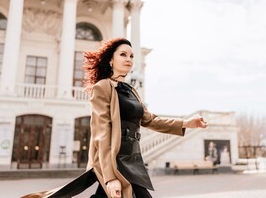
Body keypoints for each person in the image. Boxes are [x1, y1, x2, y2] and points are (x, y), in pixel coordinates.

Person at [21, 38, 207, 198]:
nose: (129, 59)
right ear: (111, 60)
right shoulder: (102, 87)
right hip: (113, 159)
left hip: (132, 158)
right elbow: (101, 134)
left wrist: (186, 123)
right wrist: (110, 177)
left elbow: (149, 119)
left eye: (132, 56)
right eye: (123, 55)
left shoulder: (131, 90)